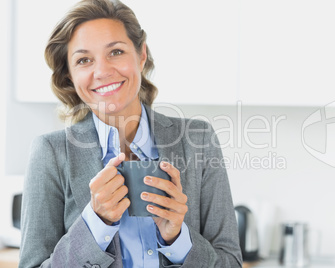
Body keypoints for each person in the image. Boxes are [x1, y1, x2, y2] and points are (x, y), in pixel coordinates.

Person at [19, 0, 242, 267]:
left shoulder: (198, 140)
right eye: (84, 60)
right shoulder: (51, 153)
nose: (102, 71)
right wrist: (95, 224)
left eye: (115, 52)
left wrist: (178, 239)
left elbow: (230, 263)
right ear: (70, 76)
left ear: (141, 55)